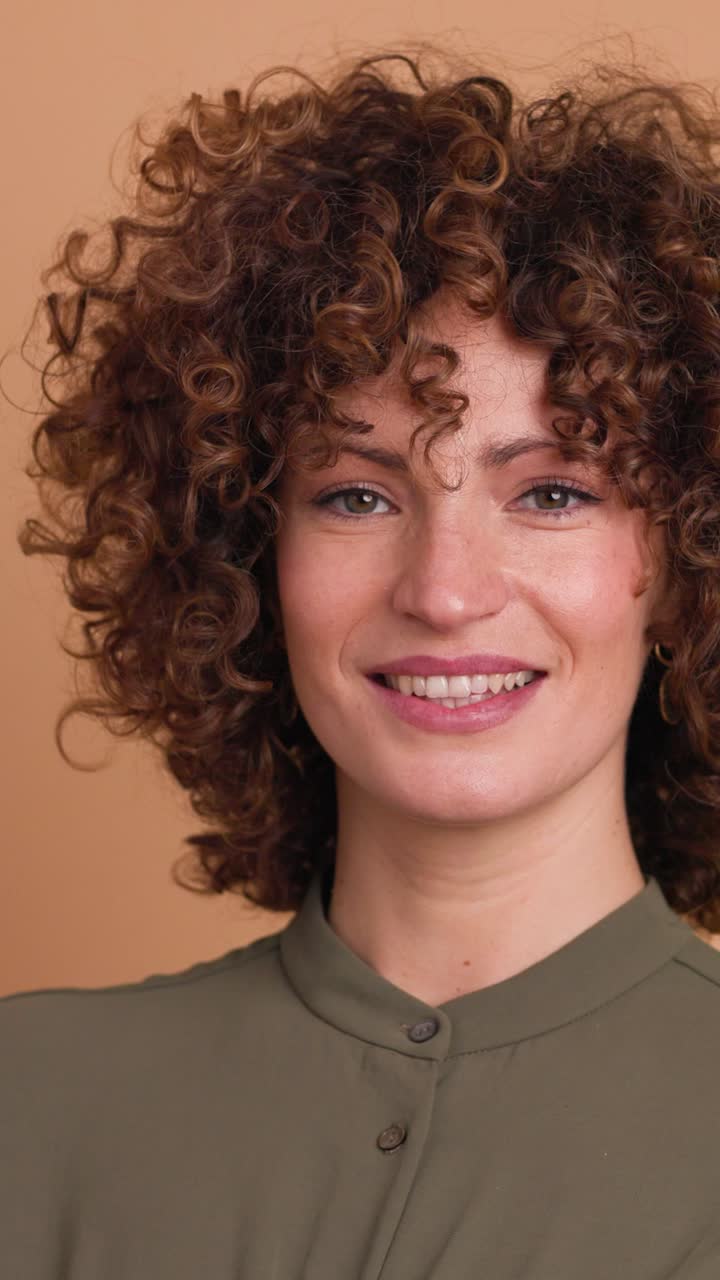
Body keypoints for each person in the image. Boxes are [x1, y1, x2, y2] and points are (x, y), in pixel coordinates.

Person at [4, 41, 720, 1278]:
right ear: (243, 557)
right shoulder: (33, 1105)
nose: (445, 590)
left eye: (550, 490)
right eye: (355, 496)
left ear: (686, 559)